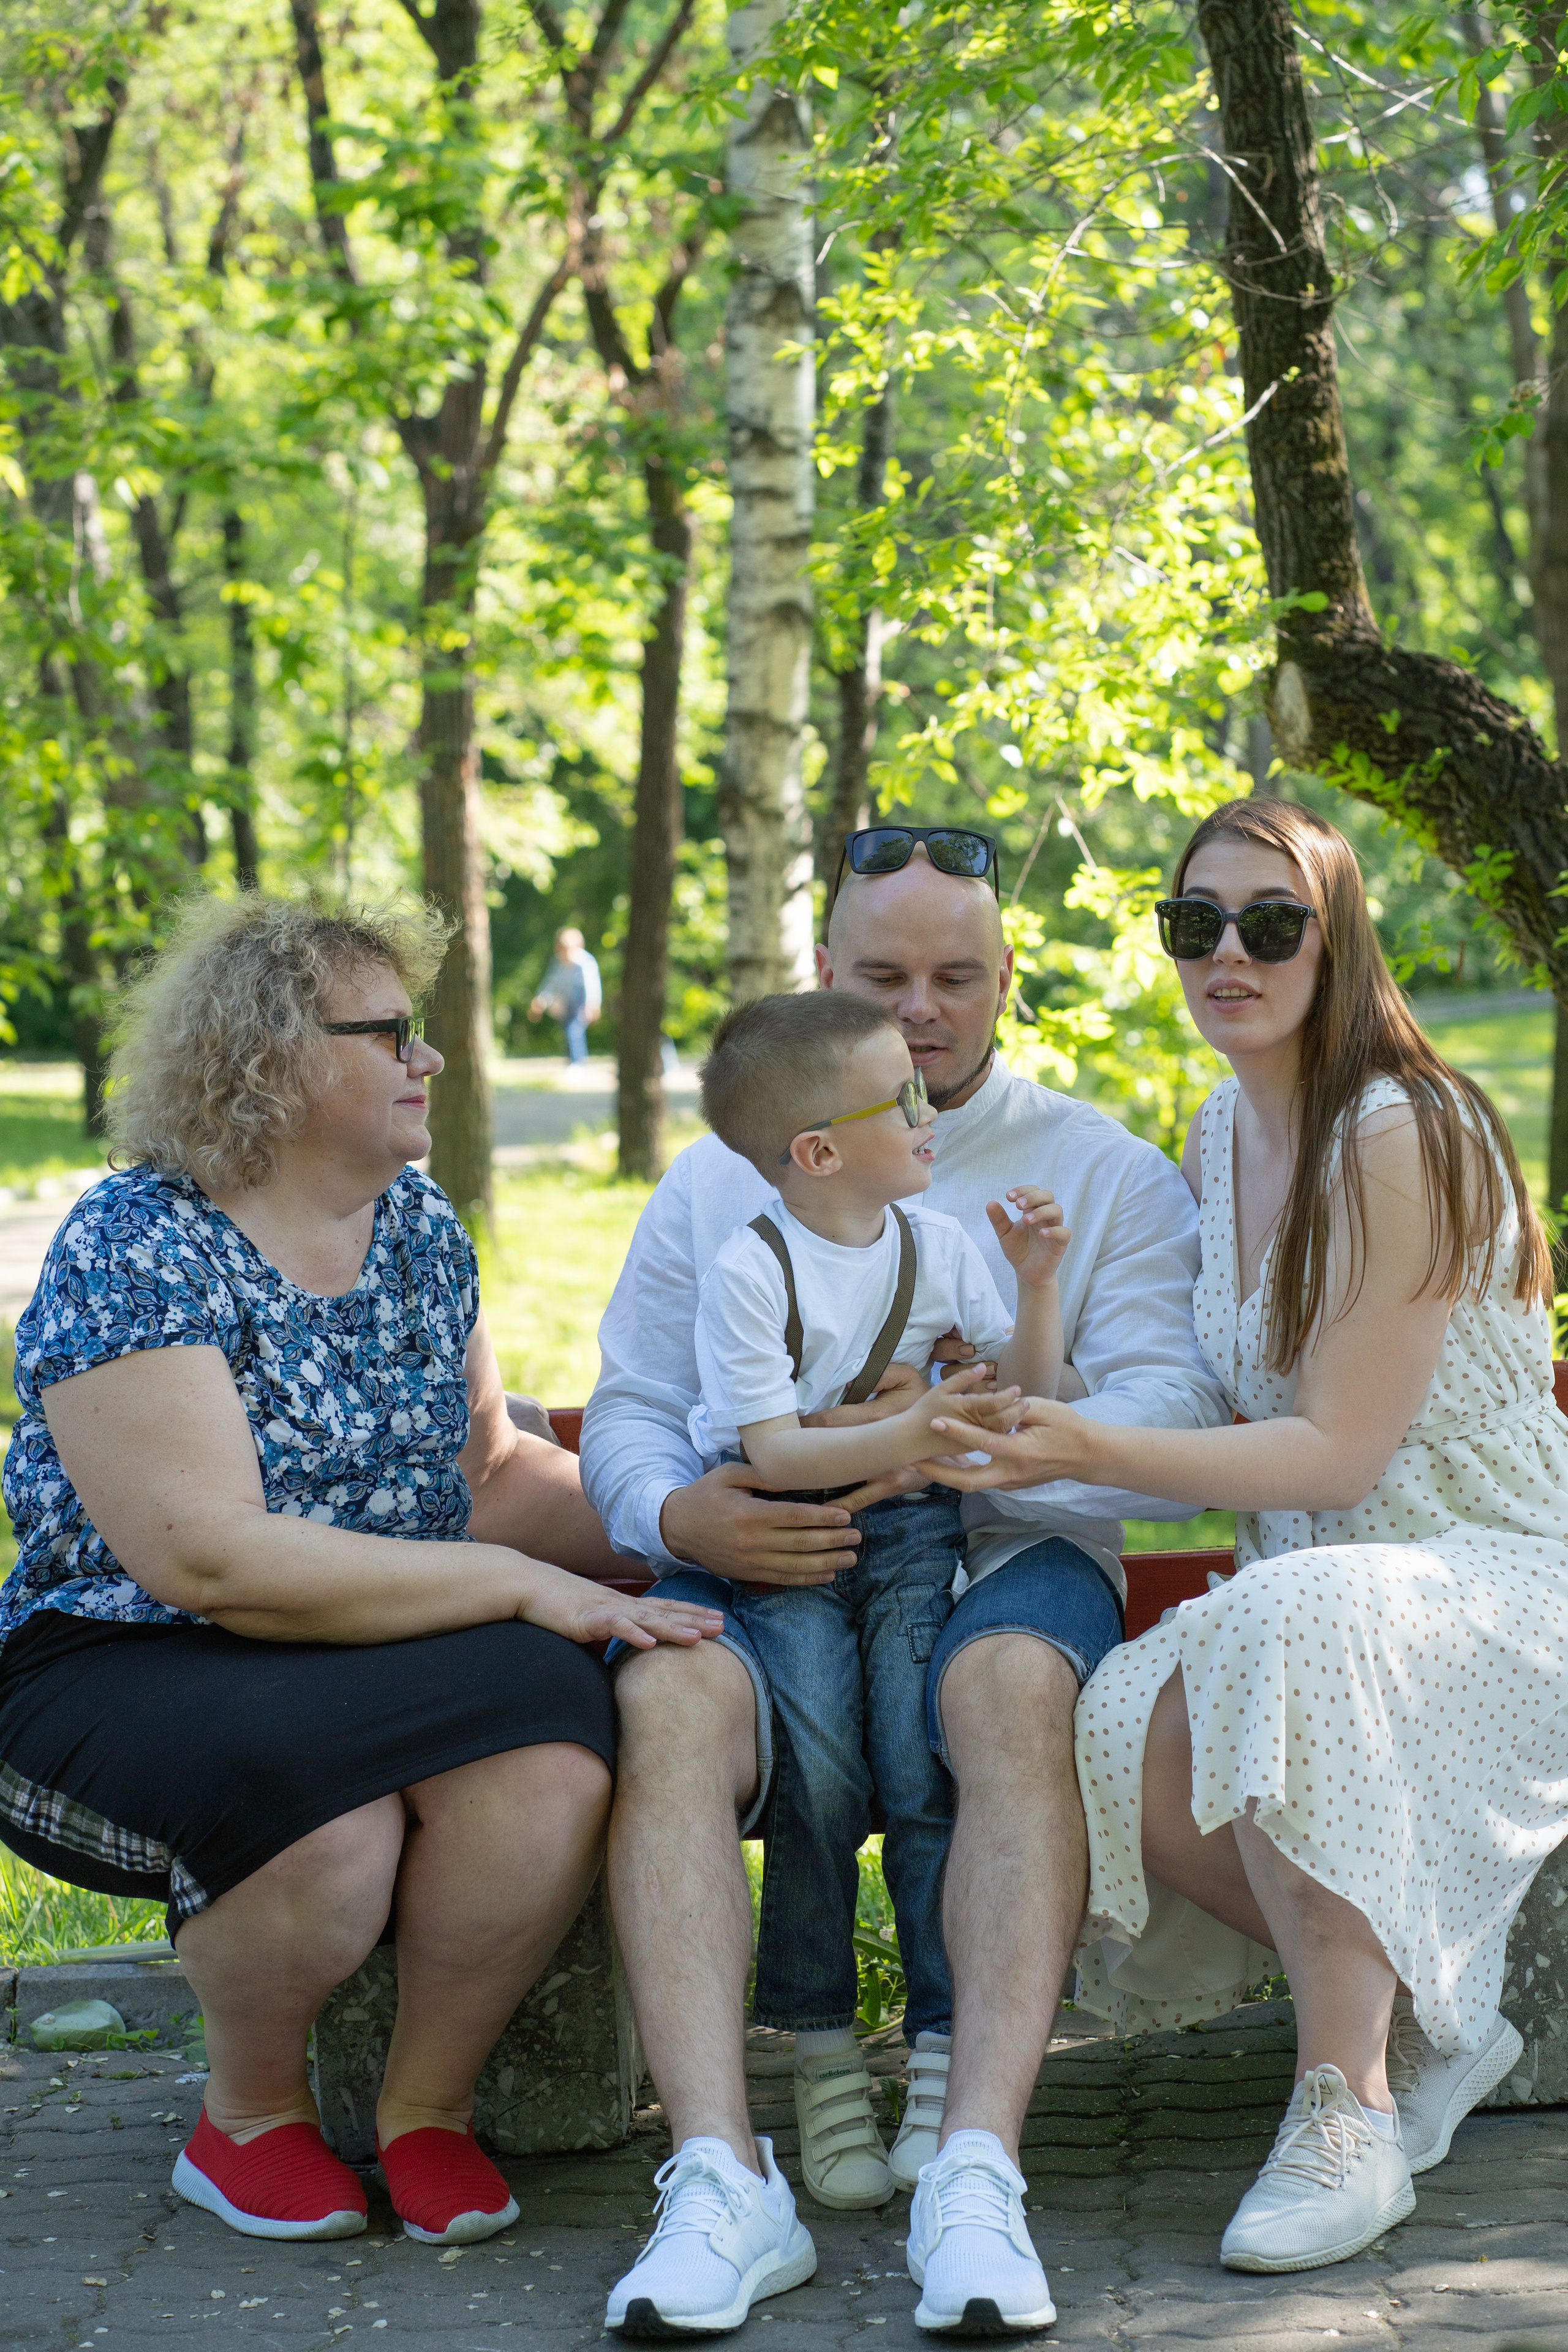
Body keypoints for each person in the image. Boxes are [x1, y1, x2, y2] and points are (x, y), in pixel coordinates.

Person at [582, 821, 1231, 2335]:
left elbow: (1178, 1416)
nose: (923, 1010)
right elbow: (632, 1401)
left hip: (1009, 1554)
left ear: (1008, 977)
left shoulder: (1099, 1169)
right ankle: (719, 2174)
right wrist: (679, 1513)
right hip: (775, 1552)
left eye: (955, 976)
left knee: (1002, 1688)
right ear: (825, 971)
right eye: (883, 978)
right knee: (667, 1696)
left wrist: (967, 1444)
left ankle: (974, 2166)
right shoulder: (726, 1177)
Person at [0, 895, 718, 2251]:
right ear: (271, 1059)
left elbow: (491, 1477)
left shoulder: (418, 1225)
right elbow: (208, 1558)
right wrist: (515, 1589)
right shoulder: (138, 1241)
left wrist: (686, 1522)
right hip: (131, 1649)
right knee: (337, 1825)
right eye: (388, 1032)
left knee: (551, 1751)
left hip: (373, 1642)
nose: (426, 1057)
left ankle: (426, 2110)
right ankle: (248, 2117)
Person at [927, 796, 1568, 2279]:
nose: (1227, 952)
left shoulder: (1403, 1133)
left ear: (1334, 942)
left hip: (1490, 1574)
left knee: (1282, 1623)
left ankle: (1345, 2102)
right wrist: (1023, 1371)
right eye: (1193, 922)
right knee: (1112, 1725)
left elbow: (1337, 1453)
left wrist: (1084, 1448)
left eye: (1269, 924)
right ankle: (1437, 2031)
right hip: (1325, 1590)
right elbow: (1210, 1397)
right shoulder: (1220, 1130)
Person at [687, 990, 1068, 2211]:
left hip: (904, 1536)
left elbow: (1023, 1395)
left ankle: (942, 2048)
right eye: (898, 1096)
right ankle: (821, 2054)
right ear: (816, 1152)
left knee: (919, 1766)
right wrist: (910, 1429)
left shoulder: (936, 1246)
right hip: (787, 1544)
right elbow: (770, 1452)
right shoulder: (751, 1270)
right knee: (819, 1779)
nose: (926, 1108)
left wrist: (1035, 1287)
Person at [529, 925, 601, 1065]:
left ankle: (578, 1063)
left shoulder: (585, 962)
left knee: (575, 1030)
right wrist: (541, 1000)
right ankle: (573, 1061)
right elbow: (551, 984)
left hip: (581, 1002)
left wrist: (593, 1004)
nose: (565, 951)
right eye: (562, 947)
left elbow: (592, 985)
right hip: (565, 1003)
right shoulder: (558, 963)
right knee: (568, 1031)